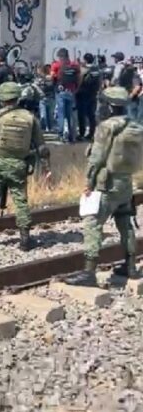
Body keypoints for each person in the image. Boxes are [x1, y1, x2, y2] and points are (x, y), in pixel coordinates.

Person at [0, 82, 51, 250]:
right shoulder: (30, 117)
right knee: (20, 200)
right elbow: (41, 147)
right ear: (17, 97)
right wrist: (47, 167)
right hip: (19, 166)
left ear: (1, 98)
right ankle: (25, 239)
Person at [71, 86, 143, 285]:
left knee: (92, 223)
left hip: (107, 183)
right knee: (125, 224)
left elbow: (97, 158)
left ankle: (89, 272)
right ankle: (130, 266)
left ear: (109, 107)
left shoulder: (106, 127)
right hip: (126, 182)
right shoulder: (135, 126)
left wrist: (88, 183)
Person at [51, 48, 81, 143]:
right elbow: (79, 78)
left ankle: (61, 134)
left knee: (61, 114)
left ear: (60, 56)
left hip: (60, 92)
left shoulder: (56, 65)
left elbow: (52, 77)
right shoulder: (75, 65)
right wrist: (76, 89)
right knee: (69, 115)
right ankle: (71, 135)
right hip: (71, 92)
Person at [76, 53, 101, 141]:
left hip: (82, 94)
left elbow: (80, 80)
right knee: (91, 115)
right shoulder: (97, 69)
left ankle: (82, 133)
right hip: (93, 94)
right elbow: (99, 82)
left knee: (81, 115)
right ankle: (92, 133)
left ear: (85, 60)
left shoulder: (84, 69)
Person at [35, 64, 56, 132]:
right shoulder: (39, 79)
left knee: (49, 115)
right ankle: (45, 128)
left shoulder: (49, 78)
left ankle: (50, 128)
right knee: (44, 115)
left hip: (50, 98)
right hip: (43, 99)